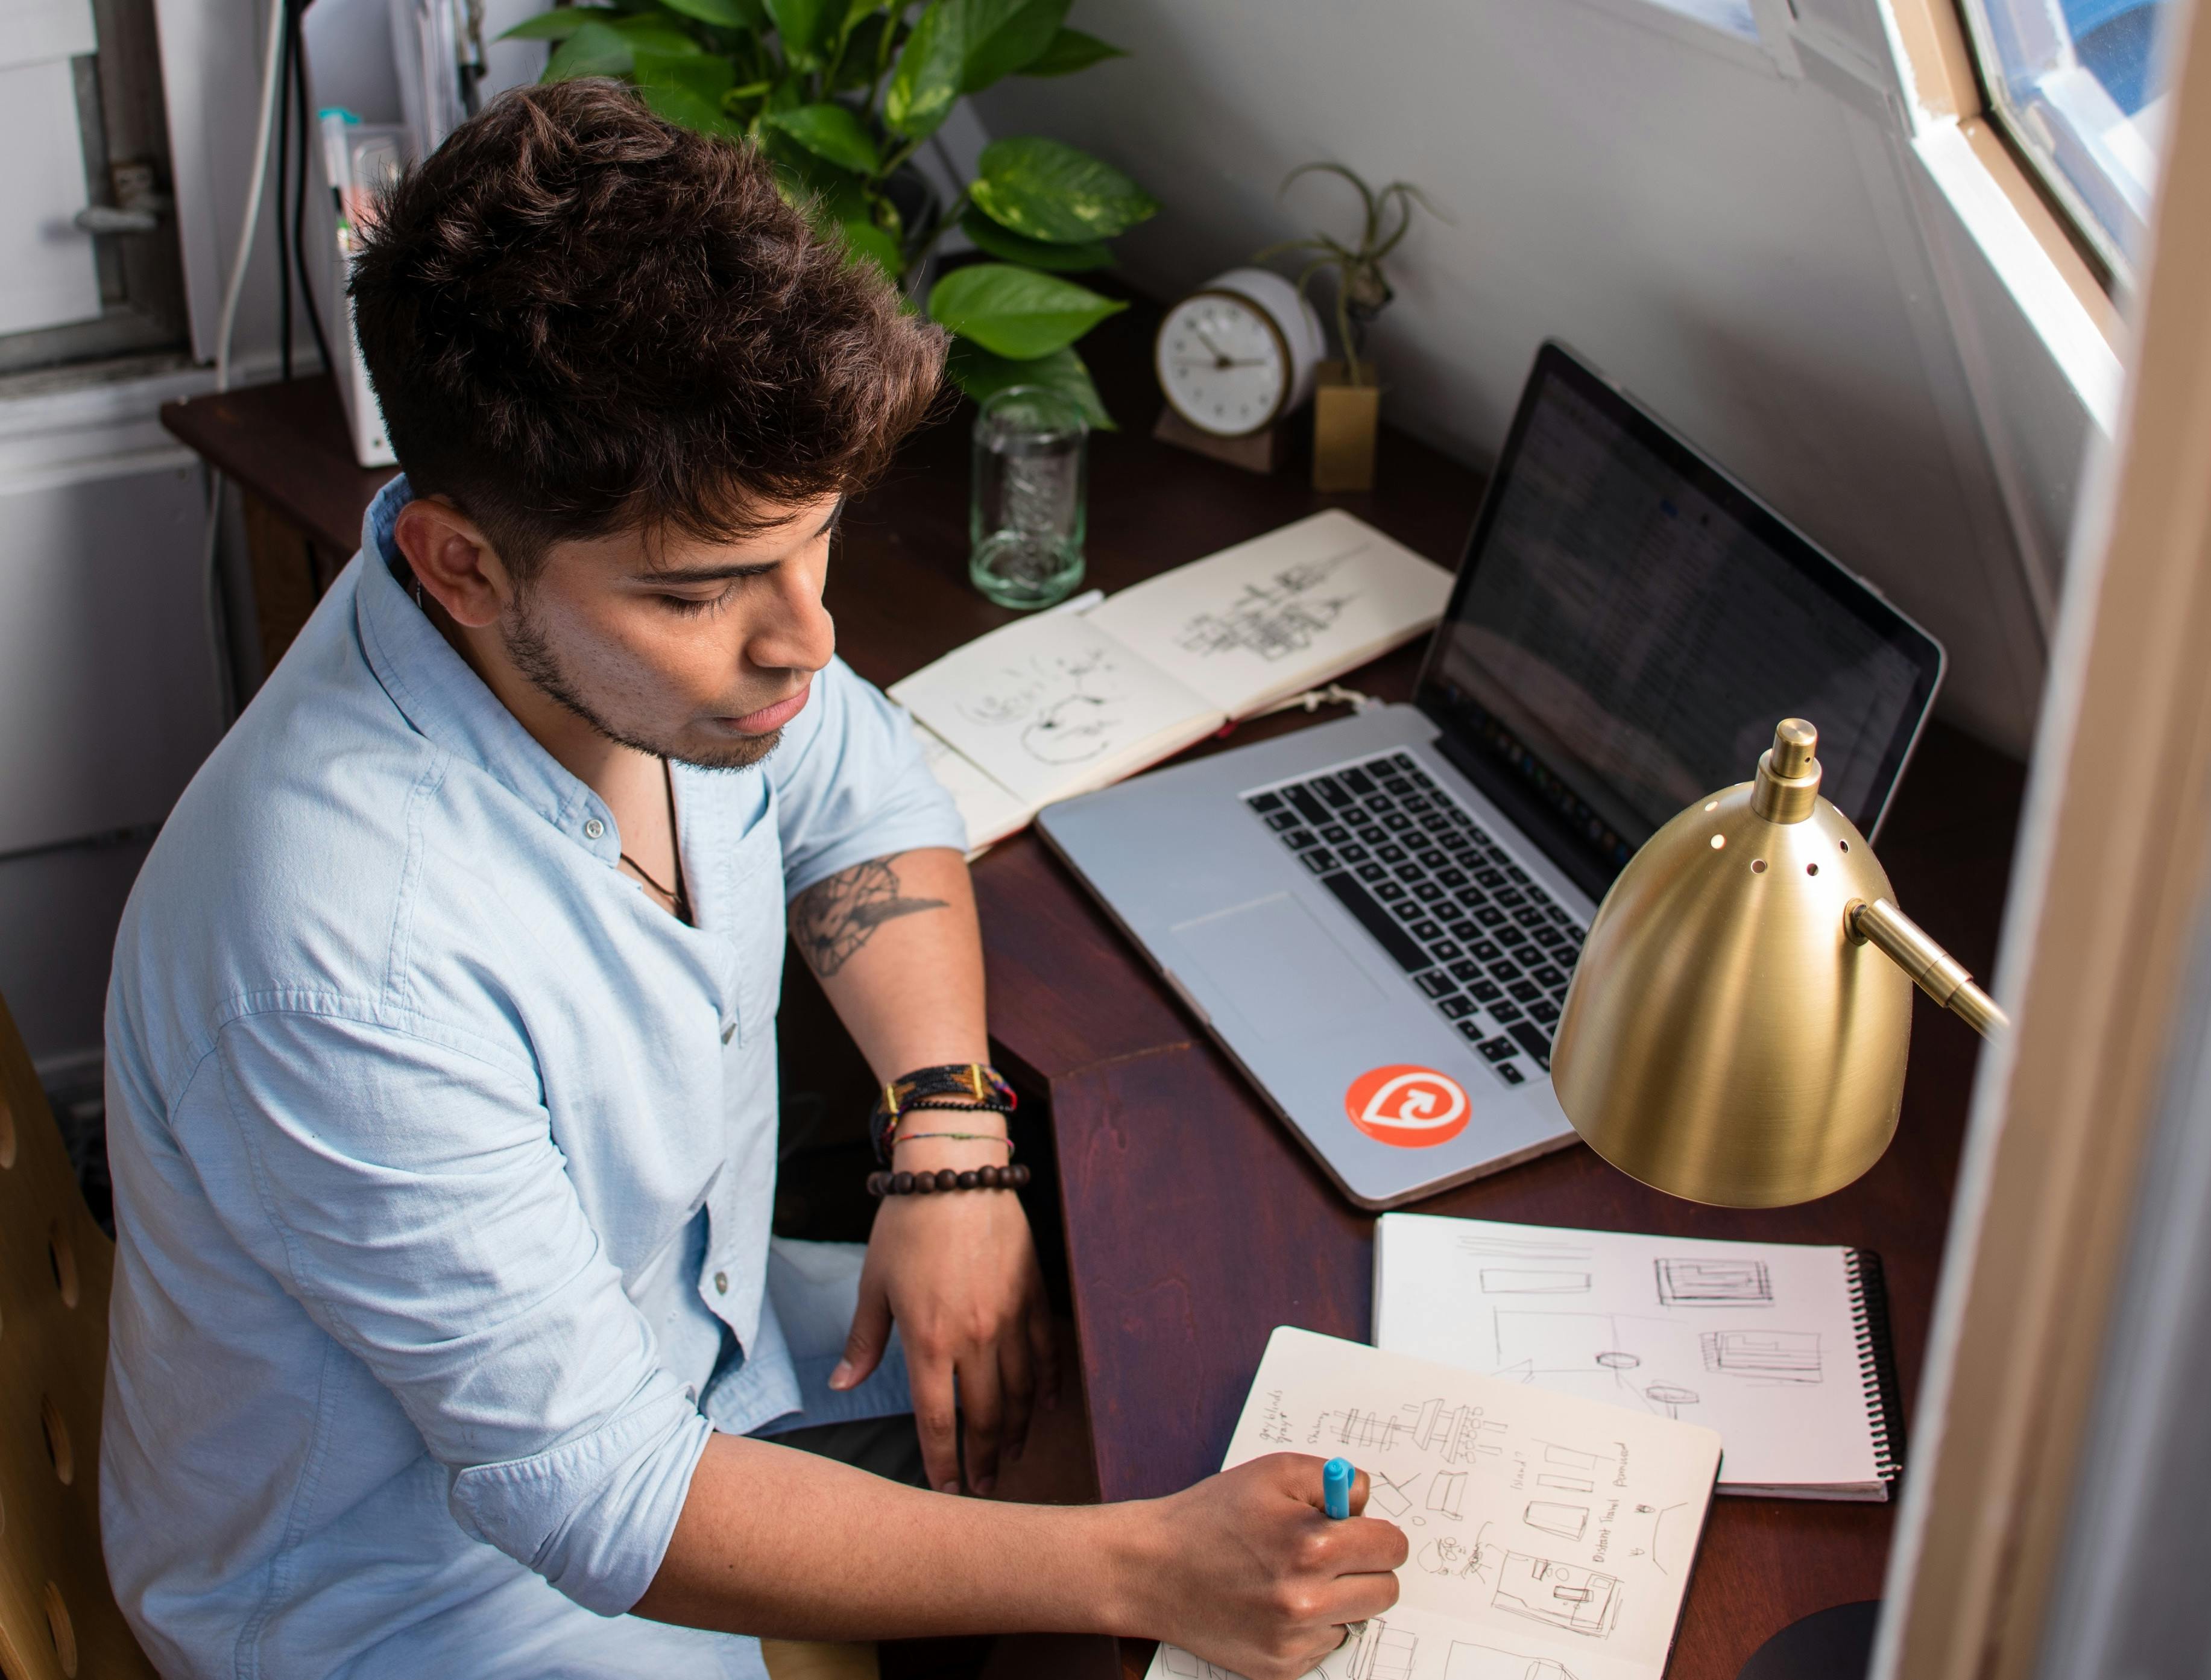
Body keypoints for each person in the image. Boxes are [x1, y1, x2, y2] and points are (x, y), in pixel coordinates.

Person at [99, 79, 1402, 1680]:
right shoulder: (336, 956)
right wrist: (1146, 1569)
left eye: (819, 539)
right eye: (708, 590)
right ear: (459, 561)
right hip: (418, 1592)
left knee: (1122, 1376)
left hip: (682, 1331)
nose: (808, 637)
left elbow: (864, 784)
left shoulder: (645, 649)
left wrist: (948, 1137)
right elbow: (607, 1500)